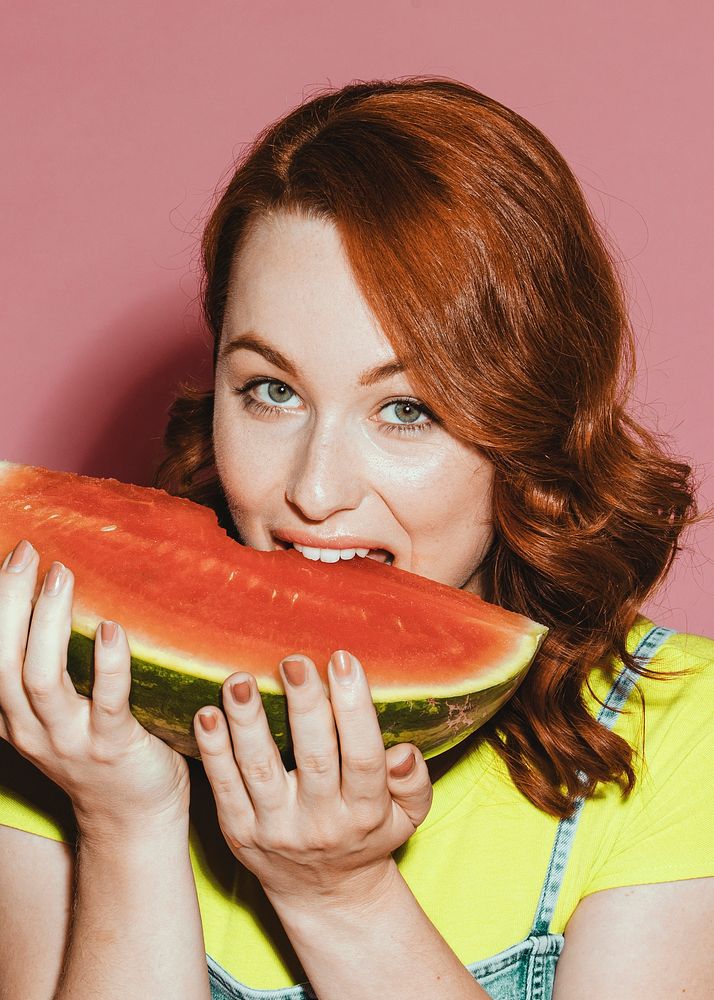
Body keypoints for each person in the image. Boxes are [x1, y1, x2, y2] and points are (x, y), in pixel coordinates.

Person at [0, 76, 712, 1000]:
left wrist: (342, 899)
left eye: (406, 409)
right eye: (271, 390)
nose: (313, 489)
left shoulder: (670, 735)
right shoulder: (55, 721)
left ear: (530, 428)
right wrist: (127, 821)